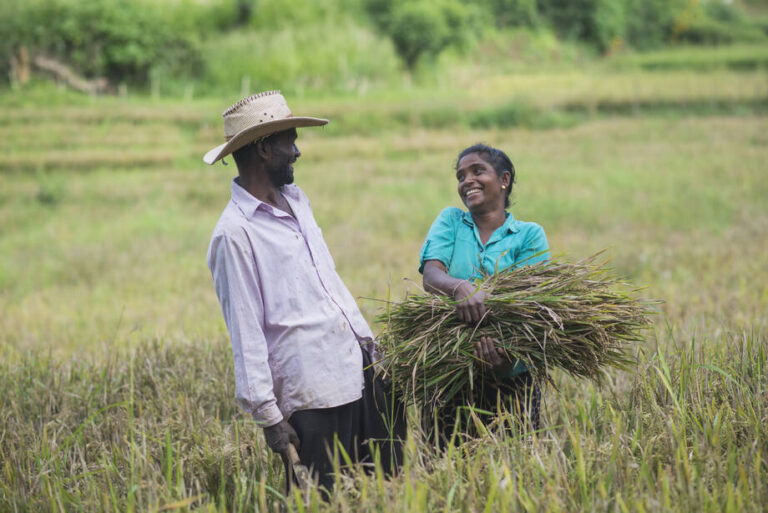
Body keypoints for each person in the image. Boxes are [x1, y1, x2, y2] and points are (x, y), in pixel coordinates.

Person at [204, 90, 404, 494]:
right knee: (324, 498)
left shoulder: (298, 201)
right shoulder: (235, 234)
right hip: (313, 395)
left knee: (385, 491)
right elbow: (246, 332)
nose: (296, 152)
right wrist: (269, 416)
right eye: (289, 142)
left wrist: (372, 349)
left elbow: (329, 285)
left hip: (359, 371)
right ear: (263, 149)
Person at [419, 143, 549, 445]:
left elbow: (529, 303)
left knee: (517, 466)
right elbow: (431, 274)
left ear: (504, 180)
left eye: (478, 171)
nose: (467, 181)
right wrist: (460, 287)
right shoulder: (451, 221)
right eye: (461, 176)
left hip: (513, 375)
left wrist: (504, 360)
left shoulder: (529, 235)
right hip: (451, 372)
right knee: (447, 464)